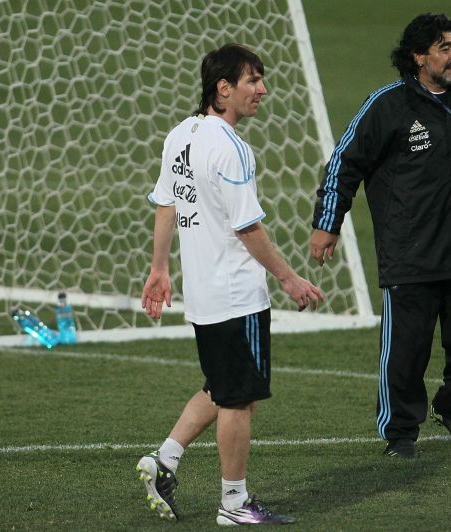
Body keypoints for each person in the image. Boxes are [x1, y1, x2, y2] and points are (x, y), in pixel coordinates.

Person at [309, 13, 451, 459]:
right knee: (406, 351)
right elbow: (344, 163)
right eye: (444, 47)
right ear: (419, 56)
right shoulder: (387, 105)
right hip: (412, 252)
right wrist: (328, 223)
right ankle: (401, 433)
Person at [137, 43, 323, 525]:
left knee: (221, 386)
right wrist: (289, 278)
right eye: (252, 80)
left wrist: (159, 267)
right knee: (239, 398)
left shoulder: (180, 135)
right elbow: (248, 228)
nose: (262, 90)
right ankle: (234, 504)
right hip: (237, 295)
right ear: (223, 88)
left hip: (203, 294)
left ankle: (163, 461)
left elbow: (166, 203)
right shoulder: (232, 147)